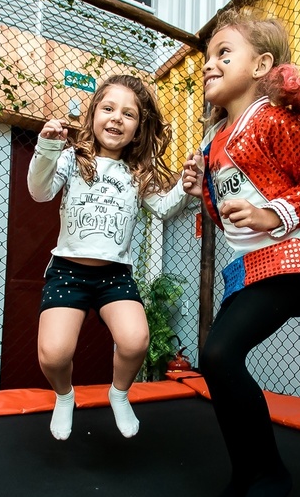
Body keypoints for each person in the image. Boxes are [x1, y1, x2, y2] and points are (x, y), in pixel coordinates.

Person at [181, 8, 300, 497]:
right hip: (256, 264)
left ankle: (270, 476)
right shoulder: (215, 140)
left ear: (261, 63)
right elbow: (230, 218)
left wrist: (273, 214)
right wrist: (204, 195)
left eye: (223, 54)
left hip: (297, 256)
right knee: (216, 362)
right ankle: (245, 475)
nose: (209, 66)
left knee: (219, 352)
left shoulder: (277, 122)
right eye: (207, 58)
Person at [29, 74, 190, 440]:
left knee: (135, 342)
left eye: (128, 114)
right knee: (54, 355)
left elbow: (164, 208)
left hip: (115, 276)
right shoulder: (73, 159)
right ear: (93, 115)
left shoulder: (137, 173)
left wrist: (184, 184)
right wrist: (47, 149)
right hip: (68, 271)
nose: (117, 118)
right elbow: (39, 191)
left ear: (138, 128)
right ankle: (64, 396)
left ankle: (119, 394)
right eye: (108, 108)